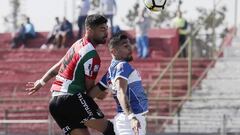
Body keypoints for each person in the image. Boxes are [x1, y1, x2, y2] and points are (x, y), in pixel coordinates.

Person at [26, 14, 115, 135]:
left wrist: (41, 82)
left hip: (55, 103)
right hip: (70, 100)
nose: (106, 33)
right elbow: (90, 91)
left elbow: (59, 66)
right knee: (111, 130)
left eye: (107, 28)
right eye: (102, 29)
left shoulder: (77, 44)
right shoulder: (92, 55)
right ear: (89, 30)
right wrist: (105, 93)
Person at [88, 34, 149, 135]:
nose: (130, 48)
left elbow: (92, 95)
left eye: (130, 44)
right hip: (131, 119)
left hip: (124, 119)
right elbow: (121, 92)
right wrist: (131, 117)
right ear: (114, 51)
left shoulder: (110, 71)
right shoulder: (122, 65)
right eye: (125, 46)